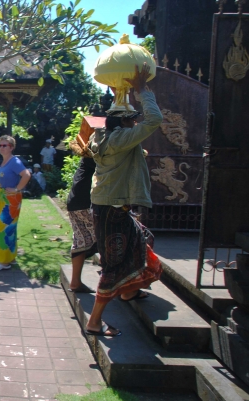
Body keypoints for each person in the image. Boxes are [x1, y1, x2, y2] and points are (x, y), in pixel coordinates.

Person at [86, 63, 163, 337]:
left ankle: (129, 291)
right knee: (112, 265)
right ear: (124, 123)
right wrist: (142, 91)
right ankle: (94, 322)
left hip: (112, 205)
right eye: (133, 121)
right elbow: (155, 121)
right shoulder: (119, 139)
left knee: (144, 239)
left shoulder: (107, 136)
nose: (137, 124)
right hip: (112, 208)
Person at [0, 135, 31, 271]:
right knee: (9, 229)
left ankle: (3, 261)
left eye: (4, 145)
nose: (1, 148)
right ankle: (10, 257)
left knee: (3, 229)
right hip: (2, 199)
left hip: (9, 200)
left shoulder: (14, 161)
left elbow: (26, 174)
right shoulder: (4, 162)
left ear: (11, 147)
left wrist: (16, 189)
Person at [66, 157, 97, 294]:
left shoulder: (88, 154)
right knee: (107, 238)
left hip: (75, 200)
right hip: (88, 201)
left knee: (80, 239)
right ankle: (119, 286)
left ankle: (75, 282)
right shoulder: (102, 148)